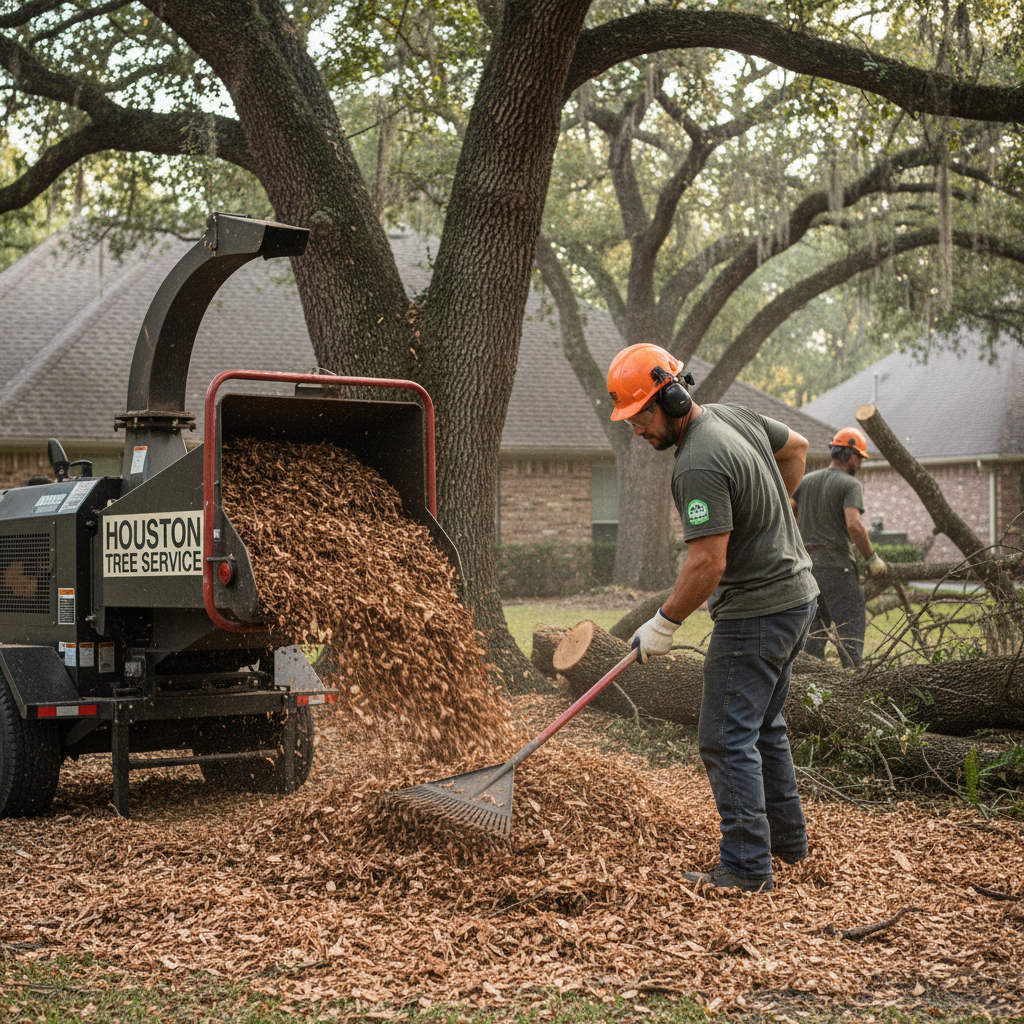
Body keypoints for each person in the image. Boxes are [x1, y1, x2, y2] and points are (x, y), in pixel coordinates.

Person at [607, 342, 819, 894]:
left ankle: (747, 868)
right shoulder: (733, 417)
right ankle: (787, 844)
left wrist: (664, 623)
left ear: (673, 398)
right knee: (763, 726)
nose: (637, 431)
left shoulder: (697, 463)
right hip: (798, 596)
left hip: (758, 611)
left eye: (641, 416)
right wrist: (771, 514)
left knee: (725, 737)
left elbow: (706, 562)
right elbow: (797, 448)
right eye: (629, 421)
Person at [791, 427, 886, 668]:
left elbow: (790, 509)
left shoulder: (806, 480)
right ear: (851, 455)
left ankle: (813, 681)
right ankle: (853, 679)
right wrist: (872, 559)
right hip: (837, 568)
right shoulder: (849, 484)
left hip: (808, 569)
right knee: (850, 627)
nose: (860, 464)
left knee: (814, 631)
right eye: (860, 458)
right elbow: (854, 526)